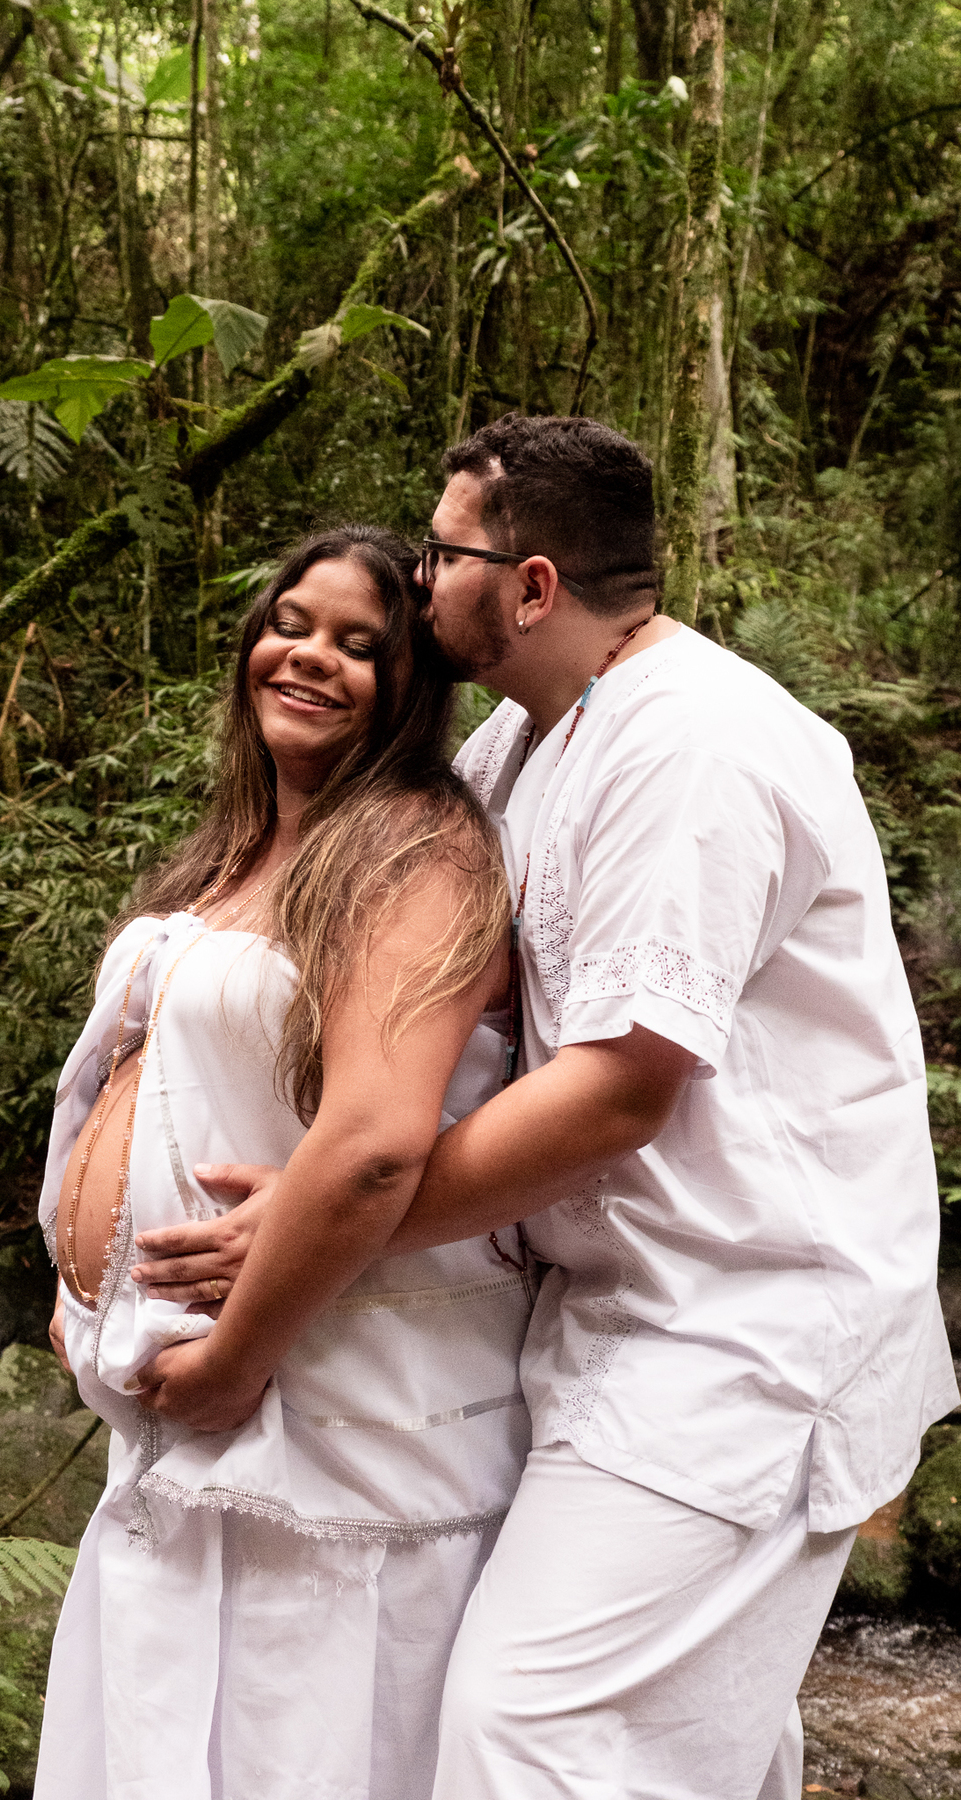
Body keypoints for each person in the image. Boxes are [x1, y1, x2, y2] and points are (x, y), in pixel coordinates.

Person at [135, 417, 959, 1800]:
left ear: (528, 587)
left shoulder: (695, 747)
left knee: (534, 1735)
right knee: (692, 1754)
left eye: (440, 552)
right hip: (603, 1327)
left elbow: (618, 1091)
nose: (414, 574)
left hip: (743, 1339)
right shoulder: (522, 749)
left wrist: (334, 1221)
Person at [35, 524, 535, 1800]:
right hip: (185, 1408)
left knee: (289, 1743)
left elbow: (373, 1148)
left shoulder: (417, 849)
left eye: (360, 644)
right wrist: (81, 1294)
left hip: (319, 1413)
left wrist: (234, 1359)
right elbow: (135, 1083)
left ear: (412, 682)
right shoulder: (242, 844)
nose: (309, 657)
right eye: (291, 623)